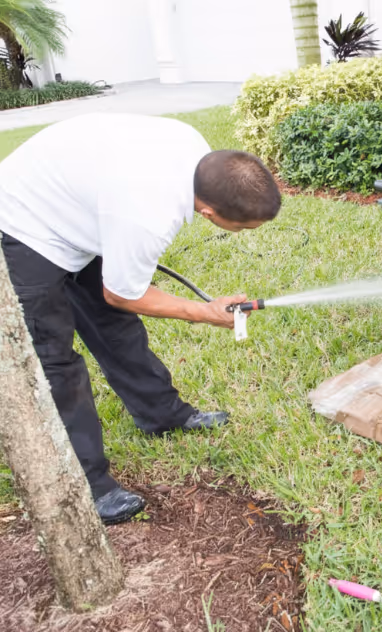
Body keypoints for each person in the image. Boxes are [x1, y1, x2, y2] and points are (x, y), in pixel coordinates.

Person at [0, 113, 281, 525]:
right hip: (24, 223)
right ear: (208, 213)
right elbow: (122, 292)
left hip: (79, 207)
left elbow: (118, 297)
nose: (245, 232)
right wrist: (202, 312)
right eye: (243, 228)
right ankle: (91, 486)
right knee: (55, 360)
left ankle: (163, 415)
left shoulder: (195, 151)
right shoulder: (146, 212)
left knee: (115, 328)